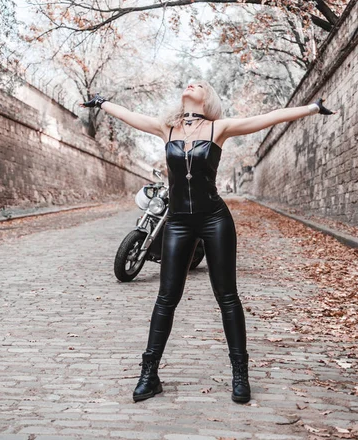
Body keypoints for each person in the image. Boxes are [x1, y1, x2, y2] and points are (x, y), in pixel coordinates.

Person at [79, 82, 336, 404]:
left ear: (208, 97)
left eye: (200, 84)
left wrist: (312, 107)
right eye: (189, 82)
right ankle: (149, 373)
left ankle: (239, 374)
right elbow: (129, 115)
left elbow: (271, 117)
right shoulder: (166, 128)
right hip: (177, 221)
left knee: (227, 296)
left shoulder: (220, 128)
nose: (192, 84)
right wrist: (102, 102)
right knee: (166, 297)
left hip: (214, 218)